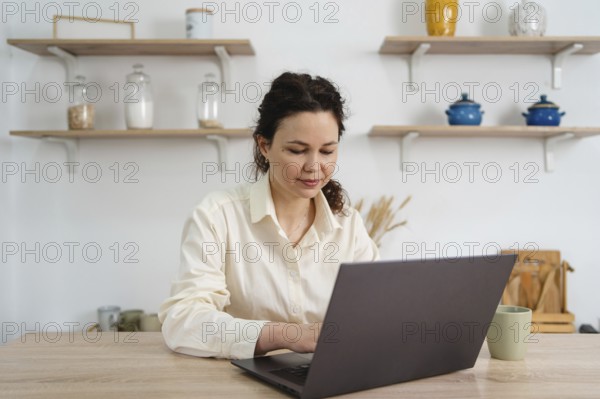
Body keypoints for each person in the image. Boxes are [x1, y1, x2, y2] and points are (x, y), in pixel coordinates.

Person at [158, 72, 379, 360]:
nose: (314, 166)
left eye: (327, 151)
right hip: (238, 382)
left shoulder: (348, 224)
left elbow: (376, 312)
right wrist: (282, 335)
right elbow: (182, 321)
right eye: (297, 151)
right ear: (264, 146)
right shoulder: (217, 216)